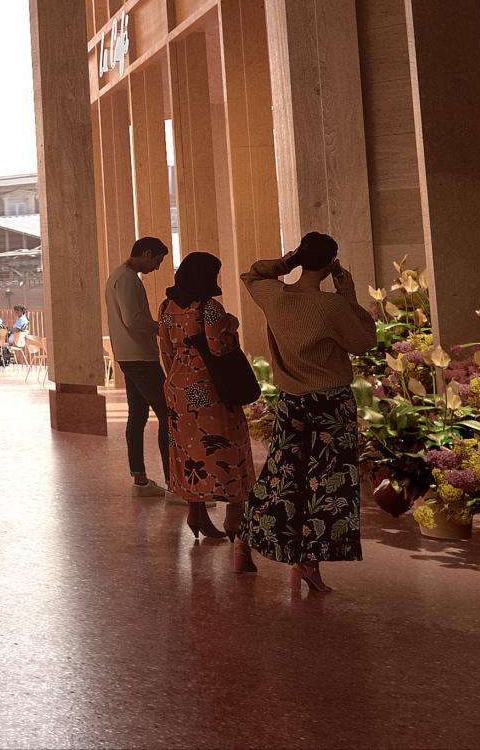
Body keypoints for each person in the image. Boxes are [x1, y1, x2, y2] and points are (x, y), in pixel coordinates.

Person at [240, 233, 376, 594]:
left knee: (281, 475)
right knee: (328, 484)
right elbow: (364, 342)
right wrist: (348, 294)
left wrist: (286, 264)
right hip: (331, 404)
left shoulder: (274, 295)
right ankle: (308, 563)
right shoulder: (331, 306)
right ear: (332, 263)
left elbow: (252, 275)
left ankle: (245, 539)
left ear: (300, 255)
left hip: (291, 400)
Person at [157, 252, 256, 562]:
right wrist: (233, 325)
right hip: (211, 388)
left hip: (177, 387)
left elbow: (166, 350)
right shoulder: (209, 308)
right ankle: (233, 516)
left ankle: (196, 512)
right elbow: (220, 346)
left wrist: (179, 376)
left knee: (188, 450)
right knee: (229, 446)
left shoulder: (166, 308)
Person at [105, 236, 171, 496]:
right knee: (167, 413)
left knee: (138, 415)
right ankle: (174, 484)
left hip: (129, 355)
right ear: (146, 253)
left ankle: (140, 479)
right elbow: (133, 319)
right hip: (140, 357)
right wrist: (162, 329)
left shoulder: (119, 276)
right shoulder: (129, 279)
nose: (157, 267)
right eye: (157, 260)